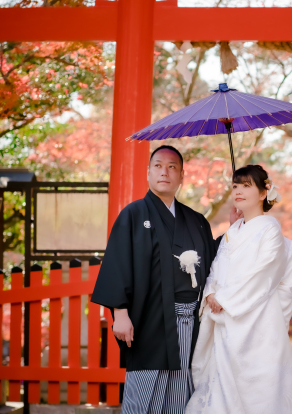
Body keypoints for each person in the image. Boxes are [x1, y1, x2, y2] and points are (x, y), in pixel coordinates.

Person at [91, 145, 224, 414]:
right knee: (143, 395)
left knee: (180, 393)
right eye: (159, 166)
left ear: (182, 176)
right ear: (148, 173)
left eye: (172, 167)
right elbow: (118, 263)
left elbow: (213, 263)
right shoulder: (133, 214)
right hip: (148, 320)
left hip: (189, 321)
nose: (165, 172)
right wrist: (120, 313)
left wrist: (238, 229)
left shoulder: (196, 220)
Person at [187, 164, 292, 414]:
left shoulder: (270, 227)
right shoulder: (234, 230)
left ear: (264, 193)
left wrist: (225, 298)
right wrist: (210, 292)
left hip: (256, 318)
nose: (238, 191)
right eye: (235, 186)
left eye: (246, 186)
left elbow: (265, 272)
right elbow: (217, 269)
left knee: (259, 390)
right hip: (225, 317)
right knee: (223, 385)